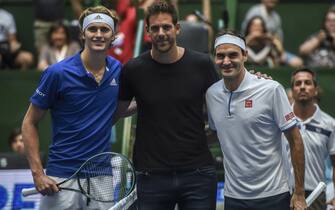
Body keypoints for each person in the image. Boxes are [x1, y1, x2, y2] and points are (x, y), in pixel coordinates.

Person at [115, 1, 219, 209]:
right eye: (155, 28)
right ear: (147, 31)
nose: (161, 33)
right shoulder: (133, 70)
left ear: (177, 28)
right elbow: (117, 112)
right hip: (151, 177)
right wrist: (139, 104)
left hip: (197, 175)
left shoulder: (202, 64)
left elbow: (223, 108)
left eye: (166, 27)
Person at [21, 6, 126, 210]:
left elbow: (115, 110)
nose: (98, 35)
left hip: (101, 176)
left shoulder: (117, 70)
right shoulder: (57, 73)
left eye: (104, 30)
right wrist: (37, 173)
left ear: (113, 36)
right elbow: (29, 123)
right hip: (61, 175)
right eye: (92, 29)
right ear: (82, 34)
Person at [205, 30, 307, 210]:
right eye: (220, 56)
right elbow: (215, 133)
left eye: (233, 55)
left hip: (274, 195)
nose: (226, 61)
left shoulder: (271, 89)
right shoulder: (212, 94)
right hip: (234, 197)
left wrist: (299, 193)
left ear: (245, 55)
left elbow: (295, 139)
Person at [282, 68, 335, 210]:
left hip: (317, 194)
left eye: (307, 83)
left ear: (316, 89)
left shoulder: (330, 124)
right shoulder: (281, 120)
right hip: (283, 192)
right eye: (298, 83)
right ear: (292, 90)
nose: (303, 86)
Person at [241, 0, 303, 68]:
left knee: (297, 62)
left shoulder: (276, 17)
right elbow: (245, 36)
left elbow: (278, 39)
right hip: (251, 47)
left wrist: (281, 52)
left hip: (269, 46)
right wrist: (261, 36)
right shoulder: (254, 11)